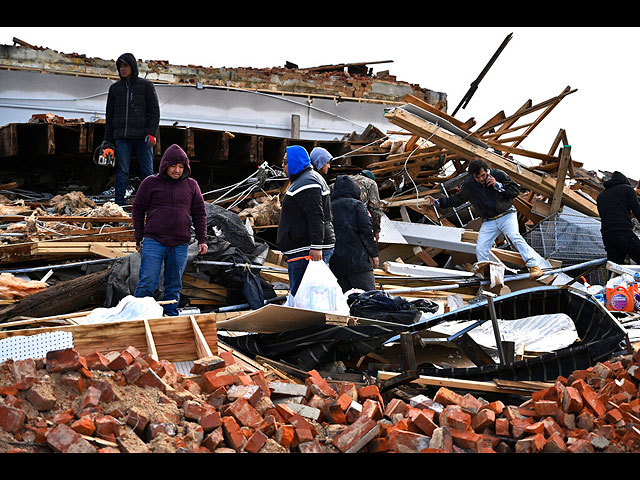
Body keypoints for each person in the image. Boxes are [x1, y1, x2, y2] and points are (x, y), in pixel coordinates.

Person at [425, 159, 543, 278]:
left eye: (483, 175)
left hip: (506, 214)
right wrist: (437, 202)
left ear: (487, 171)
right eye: (477, 177)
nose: (481, 179)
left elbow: (514, 191)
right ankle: (485, 274)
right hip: (489, 220)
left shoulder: (498, 174)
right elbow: (456, 200)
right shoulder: (469, 185)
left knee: (515, 237)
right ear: (472, 176)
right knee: (481, 248)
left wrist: (497, 185)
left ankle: (534, 267)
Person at [132, 144, 208, 316]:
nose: (177, 170)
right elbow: (137, 209)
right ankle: (137, 318)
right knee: (147, 282)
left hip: (180, 243)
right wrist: (139, 237)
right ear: (165, 165)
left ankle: (169, 317)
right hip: (153, 241)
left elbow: (200, 213)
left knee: (174, 285)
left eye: (181, 167)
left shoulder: (192, 185)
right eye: (174, 166)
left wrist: (203, 239)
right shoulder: (150, 183)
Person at [276, 145, 335, 297]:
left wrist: (316, 246)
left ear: (295, 162)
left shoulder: (307, 182)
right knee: (305, 295)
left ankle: (305, 320)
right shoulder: (305, 179)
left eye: (285, 162)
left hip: (306, 249)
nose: (282, 166)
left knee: (304, 297)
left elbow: (315, 216)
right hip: (302, 247)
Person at [103, 53, 160, 206]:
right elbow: (109, 117)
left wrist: (151, 132)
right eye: (120, 66)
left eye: (125, 65)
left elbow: (155, 112)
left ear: (133, 67)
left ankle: (151, 204)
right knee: (122, 172)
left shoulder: (146, 86)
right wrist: (107, 142)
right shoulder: (115, 89)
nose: (122, 69)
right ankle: (119, 205)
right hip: (122, 138)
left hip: (143, 137)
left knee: (147, 173)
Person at [329, 175, 379, 292]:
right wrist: (374, 254)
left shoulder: (329, 207)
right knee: (369, 298)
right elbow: (366, 231)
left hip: (337, 264)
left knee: (344, 301)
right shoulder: (357, 205)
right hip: (358, 262)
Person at [596, 171, 640, 264]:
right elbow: (637, 211)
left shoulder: (600, 196)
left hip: (607, 235)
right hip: (623, 232)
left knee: (615, 267)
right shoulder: (628, 189)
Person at [351, 170, 383, 241]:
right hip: (358, 223)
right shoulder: (370, 183)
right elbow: (375, 208)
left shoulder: (343, 181)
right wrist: (376, 230)